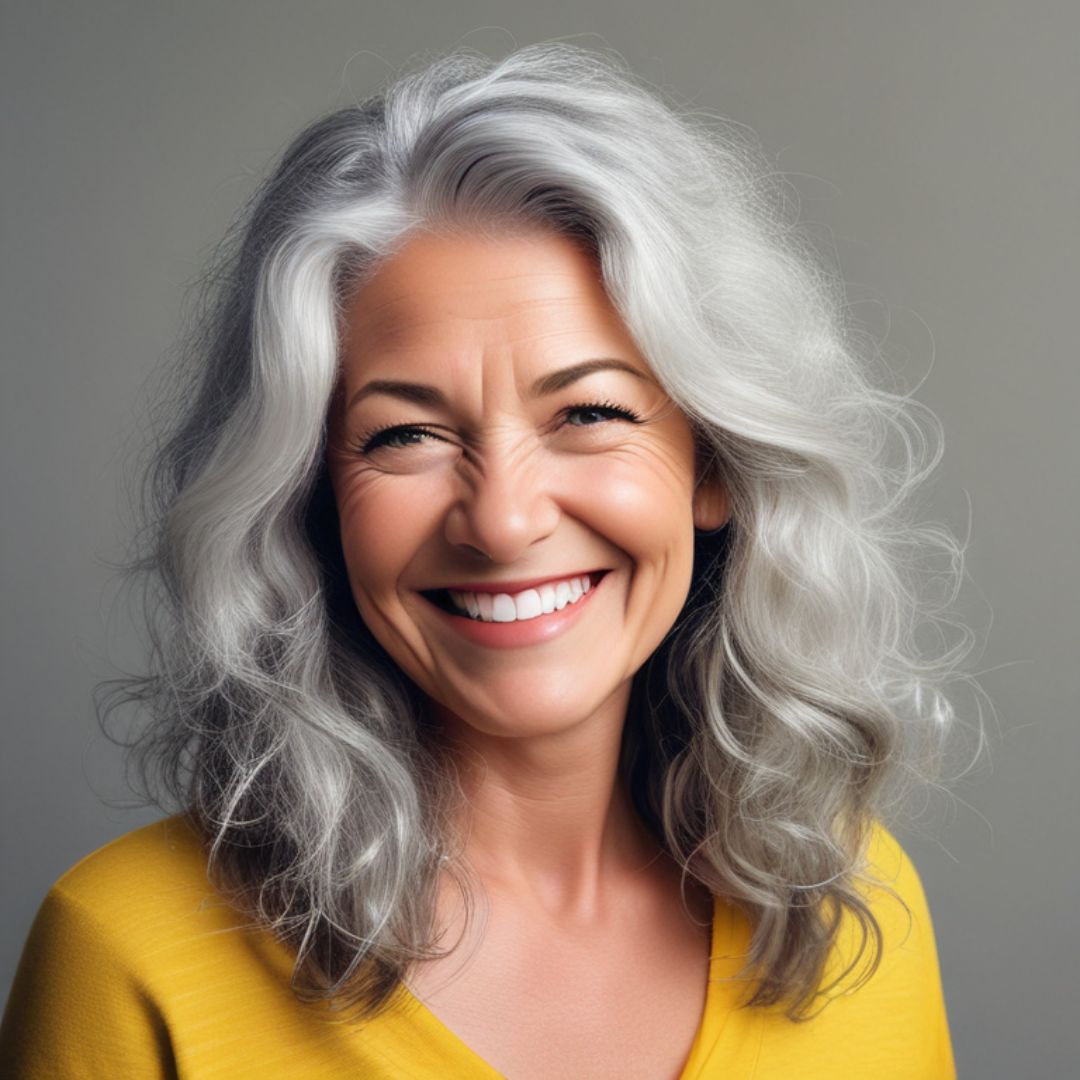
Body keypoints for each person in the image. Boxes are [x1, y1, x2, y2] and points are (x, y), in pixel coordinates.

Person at [0, 43, 964, 1078]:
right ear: (311, 497)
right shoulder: (126, 957)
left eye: (588, 413)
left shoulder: (854, 909)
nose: (502, 522)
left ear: (713, 465)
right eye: (403, 436)